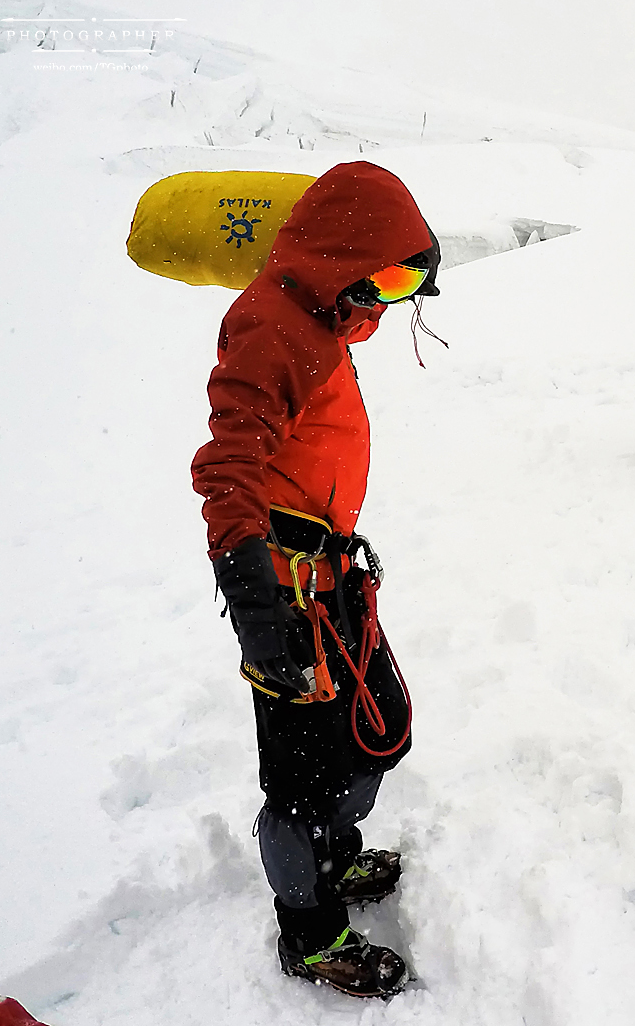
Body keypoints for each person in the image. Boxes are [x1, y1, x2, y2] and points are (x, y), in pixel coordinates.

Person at [193, 161, 437, 998]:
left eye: (410, 280)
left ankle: (334, 855)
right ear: (343, 255)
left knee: (363, 737)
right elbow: (228, 468)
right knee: (303, 772)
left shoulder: (318, 320)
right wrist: (258, 608)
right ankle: (310, 932)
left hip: (328, 577)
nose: (391, 298)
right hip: (286, 590)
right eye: (389, 274)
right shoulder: (273, 327)